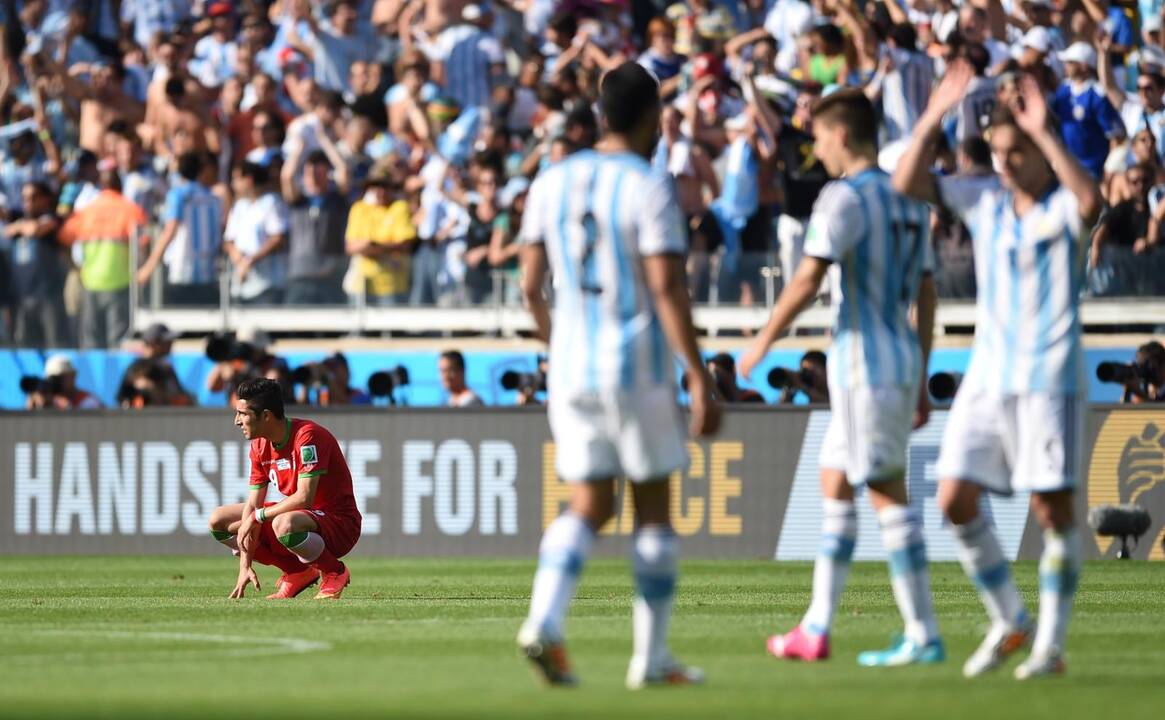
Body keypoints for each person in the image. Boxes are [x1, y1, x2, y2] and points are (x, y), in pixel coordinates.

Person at [893, 62, 1102, 679]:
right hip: (986, 379)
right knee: (954, 499)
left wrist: (1044, 133)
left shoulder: (1063, 208)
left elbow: (1093, 201)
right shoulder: (982, 202)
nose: (1005, 163)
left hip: (1048, 378)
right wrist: (932, 114)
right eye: (998, 151)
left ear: (1038, 151)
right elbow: (905, 184)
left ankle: (1051, 649)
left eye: (1016, 152)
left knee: (1052, 514)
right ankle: (1012, 618)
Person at [516, 62, 721, 689]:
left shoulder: (551, 180)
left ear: (600, 114)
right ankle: (652, 659)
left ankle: (544, 620)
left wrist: (561, 343)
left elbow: (529, 285)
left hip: (571, 371)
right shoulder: (648, 183)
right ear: (653, 118)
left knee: (589, 502)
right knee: (653, 507)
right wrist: (699, 374)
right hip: (636, 369)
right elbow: (665, 284)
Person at [738, 88, 943, 667]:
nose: (817, 149)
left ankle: (923, 632)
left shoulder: (843, 197)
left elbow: (807, 280)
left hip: (863, 364)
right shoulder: (910, 201)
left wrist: (762, 339)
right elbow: (926, 294)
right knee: (833, 483)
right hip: (898, 358)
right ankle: (817, 626)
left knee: (885, 495)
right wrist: (923, 373)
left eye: (820, 137)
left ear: (843, 136)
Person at [208, 377, 363, 600]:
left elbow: (304, 498)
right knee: (219, 520)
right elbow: (253, 504)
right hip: (302, 520)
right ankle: (297, 571)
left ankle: (334, 571)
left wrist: (256, 517)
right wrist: (245, 564)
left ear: (267, 415)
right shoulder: (259, 446)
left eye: (242, 414)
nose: (237, 421)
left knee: (284, 523)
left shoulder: (307, 436)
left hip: (339, 523)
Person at [58, 168, 149, 349]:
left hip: (90, 281)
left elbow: (63, 239)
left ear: (101, 186)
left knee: (91, 340)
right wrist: (141, 273)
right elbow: (144, 244)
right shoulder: (131, 210)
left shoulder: (87, 212)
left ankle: (91, 378)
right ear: (120, 185)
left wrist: (75, 267)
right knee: (118, 342)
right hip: (121, 283)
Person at [25, 354, 102, 410]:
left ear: (73, 376)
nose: (56, 382)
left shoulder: (88, 401)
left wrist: (66, 407)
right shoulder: (49, 400)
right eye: (53, 378)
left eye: (61, 377)